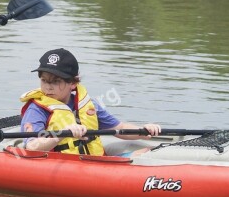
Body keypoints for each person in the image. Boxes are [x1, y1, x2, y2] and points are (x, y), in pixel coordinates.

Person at [20, 48, 161, 154]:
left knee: (146, 152)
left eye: (56, 81)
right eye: (44, 80)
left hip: (91, 163)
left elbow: (118, 128)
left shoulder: (88, 105)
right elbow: (31, 147)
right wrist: (60, 135)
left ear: (73, 83)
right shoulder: (37, 110)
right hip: (58, 165)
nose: (48, 87)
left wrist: (144, 130)